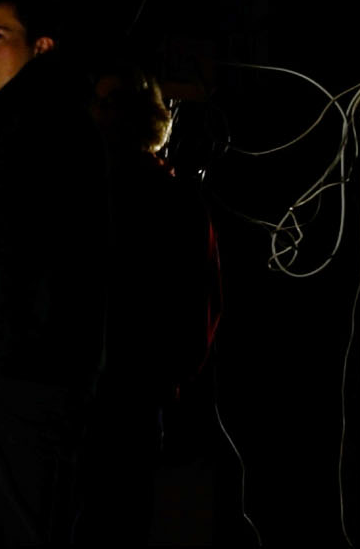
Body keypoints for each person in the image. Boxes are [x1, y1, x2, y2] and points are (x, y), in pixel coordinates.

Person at [0, 0, 112, 545]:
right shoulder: (54, 123)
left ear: (40, 47)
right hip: (49, 372)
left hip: (28, 376)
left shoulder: (36, 130)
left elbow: (22, 260)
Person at [69, 61, 223, 543]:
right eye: (98, 103)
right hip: (100, 387)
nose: (100, 113)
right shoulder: (92, 192)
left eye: (110, 103)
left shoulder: (164, 199)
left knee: (109, 515)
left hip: (125, 388)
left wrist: (165, 374)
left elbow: (198, 299)